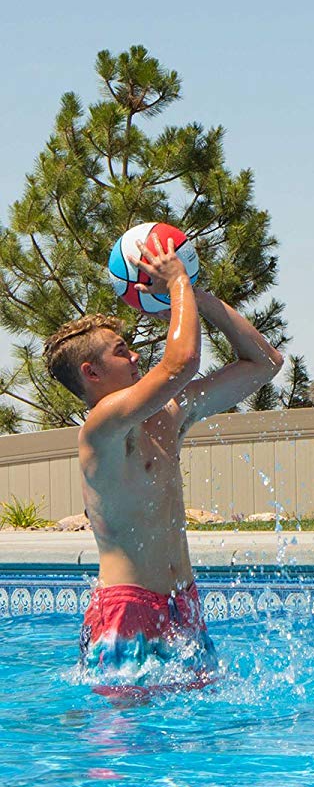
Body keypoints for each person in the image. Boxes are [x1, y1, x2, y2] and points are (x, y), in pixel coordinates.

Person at [43, 235, 284, 690]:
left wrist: (199, 296)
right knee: (123, 753)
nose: (135, 355)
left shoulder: (168, 415)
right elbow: (181, 362)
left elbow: (265, 362)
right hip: (127, 612)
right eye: (120, 351)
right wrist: (176, 288)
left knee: (190, 748)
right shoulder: (100, 427)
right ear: (91, 373)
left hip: (182, 605)